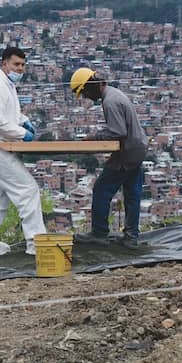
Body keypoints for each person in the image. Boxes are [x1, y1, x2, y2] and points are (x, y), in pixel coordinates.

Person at [0, 47, 46, 256]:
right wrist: (21, 132)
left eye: (23, 65)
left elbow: (9, 111)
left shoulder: (5, 85)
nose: (20, 69)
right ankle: (35, 241)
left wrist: (24, 121)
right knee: (28, 190)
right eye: (16, 64)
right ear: (4, 64)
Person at [70, 67, 147, 249]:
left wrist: (94, 137)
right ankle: (131, 236)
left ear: (91, 85)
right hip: (136, 148)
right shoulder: (114, 94)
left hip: (127, 153)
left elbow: (118, 131)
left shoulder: (110, 102)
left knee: (101, 189)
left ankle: (99, 232)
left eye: (85, 92)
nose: (87, 97)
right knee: (132, 194)